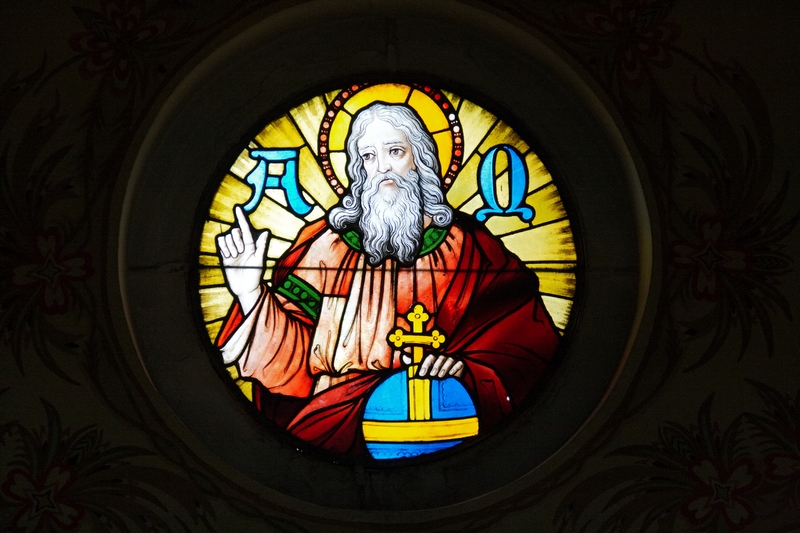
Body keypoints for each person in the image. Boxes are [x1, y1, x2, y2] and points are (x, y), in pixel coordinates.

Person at [215, 102, 560, 456]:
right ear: (357, 169)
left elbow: (527, 348)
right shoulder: (328, 248)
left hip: (448, 416)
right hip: (333, 426)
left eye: (395, 151)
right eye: (368, 156)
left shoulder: (471, 250)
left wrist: (467, 372)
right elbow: (293, 360)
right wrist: (249, 292)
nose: (382, 168)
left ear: (420, 159)